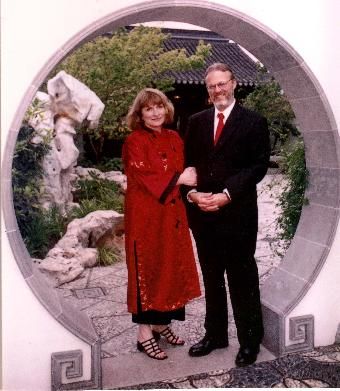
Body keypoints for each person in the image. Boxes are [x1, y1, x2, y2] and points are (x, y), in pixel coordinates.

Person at [184, 63, 270, 367]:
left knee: (242, 277)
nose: (218, 90)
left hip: (238, 213)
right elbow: (188, 165)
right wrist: (192, 195)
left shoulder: (253, 122)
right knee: (212, 277)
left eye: (222, 84)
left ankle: (250, 341)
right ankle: (215, 335)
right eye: (212, 86)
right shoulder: (195, 122)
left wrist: (226, 195)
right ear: (207, 90)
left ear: (234, 84)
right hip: (203, 213)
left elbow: (258, 166)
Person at [122, 88, 201, 360]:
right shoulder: (135, 140)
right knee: (149, 267)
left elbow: (185, 171)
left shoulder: (174, 138)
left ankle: (161, 323)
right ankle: (144, 333)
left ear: (166, 109)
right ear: (140, 114)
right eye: (148, 108)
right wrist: (180, 179)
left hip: (172, 216)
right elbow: (146, 175)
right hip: (145, 218)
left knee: (170, 268)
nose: (155, 112)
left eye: (159, 106)